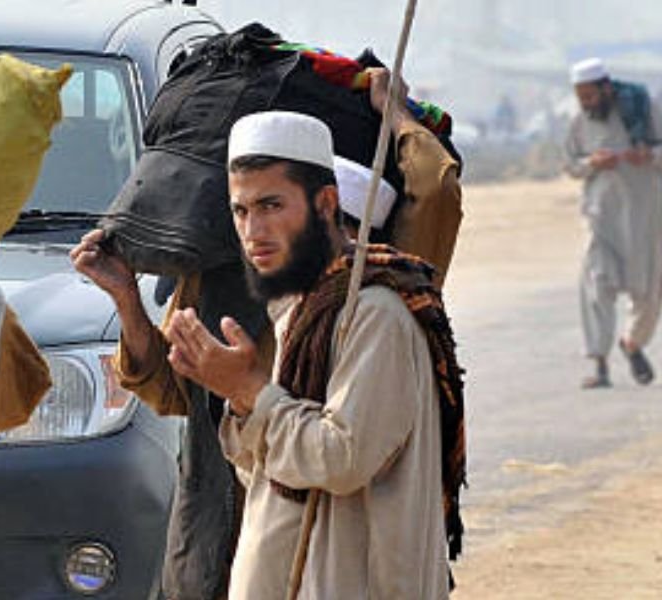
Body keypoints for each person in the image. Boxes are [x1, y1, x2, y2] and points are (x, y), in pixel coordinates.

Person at [70, 68, 460, 600]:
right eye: (241, 211)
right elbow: (186, 401)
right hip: (223, 518)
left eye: (272, 207)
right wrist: (128, 303)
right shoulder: (284, 300)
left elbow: (339, 459)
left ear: (326, 207)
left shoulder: (373, 312)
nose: (254, 232)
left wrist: (249, 389)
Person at [563, 57, 662, 388]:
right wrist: (592, 162)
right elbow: (570, 164)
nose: (585, 103)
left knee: (649, 289)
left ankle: (632, 344)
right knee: (596, 285)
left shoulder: (643, 109)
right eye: (580, 97)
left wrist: (650, 155)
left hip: (645, 218)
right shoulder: (579, 122)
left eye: (590, 96)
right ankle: (599, 364)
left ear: (606, 88)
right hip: (601, 218)